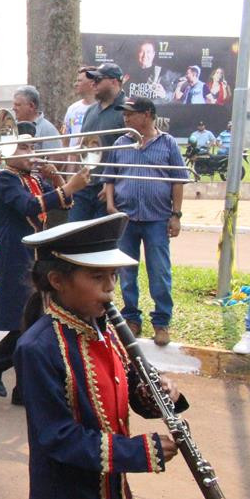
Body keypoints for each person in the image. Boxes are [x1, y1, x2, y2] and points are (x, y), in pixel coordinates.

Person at [15, 212, 184, 499]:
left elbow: (119, 391)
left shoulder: (102, 329)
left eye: (113, 277)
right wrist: (140, 451)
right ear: (57, 281)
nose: (110, 289)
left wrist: (156, 394)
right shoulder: (38, 348)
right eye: (97, 278)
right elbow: (57, 438)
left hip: (108, 489)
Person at [0, 122, 88, 403]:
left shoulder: (31, 178)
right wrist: (68, 187)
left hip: (35, 253)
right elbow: (28, 206)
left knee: (35, 319)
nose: (32, 152)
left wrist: (59, 183)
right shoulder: (6, 179)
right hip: (16, 254)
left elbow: (63, 206)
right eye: (24, 147)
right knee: (25, 320)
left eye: (32, 147)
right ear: (7, 151)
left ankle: (21, 389)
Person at [101, 96, 188, 347]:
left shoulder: (168, 143)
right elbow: (110, 176)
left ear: (147, 114)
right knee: (127, 271)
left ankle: (161, 322)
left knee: (159, 271)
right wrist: (110, 204)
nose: (125, 118)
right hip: (126, 218)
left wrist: (176, 215)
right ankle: (131, 319)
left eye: (131, 113)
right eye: (124, 114)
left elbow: (178, 181)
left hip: (157, 219)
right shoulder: (121, 142)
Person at [70, 63, 128, 222]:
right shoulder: (90, 111)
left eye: (98, 80)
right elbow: (83, 146)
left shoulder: (128, 111)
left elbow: (132, 154)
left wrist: (111, 184)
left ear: (114, 82)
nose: (93, 84)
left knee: (101, 241)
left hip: (111, 191)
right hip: (85, 186)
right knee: (72, 236)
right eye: (92, 80)